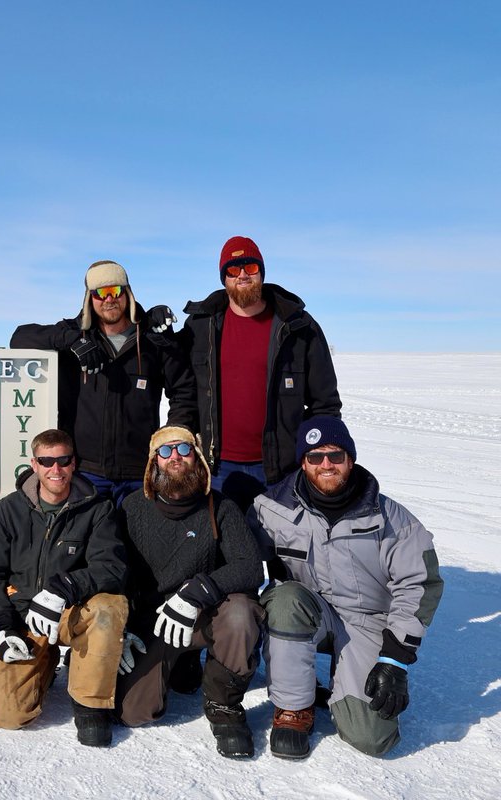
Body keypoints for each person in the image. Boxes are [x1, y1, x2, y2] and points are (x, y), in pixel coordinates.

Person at [250, 417, 444, 759]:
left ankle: (349, 680)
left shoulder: (391, 519)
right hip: (308, 611)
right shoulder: (271, 508)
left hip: (367, 621)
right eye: (315, 457)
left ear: (350, 459)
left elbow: (420, 583)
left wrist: (396, 658)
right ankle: (294, 709)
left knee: (371, 738)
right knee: (284, 600)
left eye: (336, 456)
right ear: (302, 462)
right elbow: (239, 559)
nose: (326, 464)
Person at [114, 426, 264, 757]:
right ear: (153, 463)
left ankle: (224, 705)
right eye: (165, 452)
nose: (175, 458)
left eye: (183, 449)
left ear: (196, 456)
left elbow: (251, 566)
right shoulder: (133, 508)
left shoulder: (219, 506)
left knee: (241, 613)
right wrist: (120, 630)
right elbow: (116, 574)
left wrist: (197, 592)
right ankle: (182, 664)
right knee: (131, 712)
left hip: (204, 613)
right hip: (155, 623)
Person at [0, 429, 127, 746]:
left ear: (74, 463)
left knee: (108, 607)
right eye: (46, 461)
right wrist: (2, 628)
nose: (55, 469)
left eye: (63, 461)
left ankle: (90, 705)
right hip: (24, 617)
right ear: (34, 464)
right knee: (8, 714)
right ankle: (43, 663)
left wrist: (62, 588)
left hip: (71, 610)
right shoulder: (9, 509)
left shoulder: (97, 509)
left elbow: (111, 568)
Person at [11, 260, 196, 506]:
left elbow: (184, 391)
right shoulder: (75, 336)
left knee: (137, 542)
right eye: (100, 293)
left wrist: (171, 440)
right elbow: (19, 337)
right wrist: (72, 339)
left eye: (115, 291)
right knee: (87, 543)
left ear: (127, 294)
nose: (109, 299)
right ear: (89, 298)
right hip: (86, 473)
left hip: (139, 472)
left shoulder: (152, 340)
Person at [179, 235, 341, 510]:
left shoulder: (299, 327)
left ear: (262, 273)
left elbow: (324, 403)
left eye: (250, 268)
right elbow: (181, 388)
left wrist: (317, 454)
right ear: (224, 278)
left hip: (281, 470)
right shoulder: (200, 325)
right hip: (217, 468)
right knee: (224, 549)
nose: (242, 275)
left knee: (285, 550)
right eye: (233, 269)